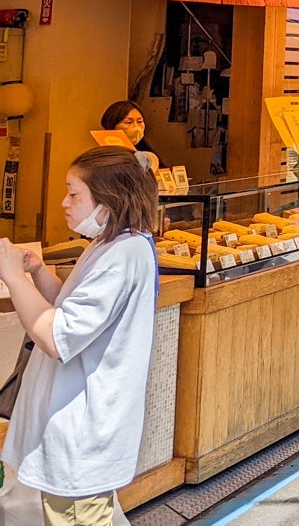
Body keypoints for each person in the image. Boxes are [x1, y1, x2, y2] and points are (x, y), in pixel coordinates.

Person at [0, 146, 159, 524]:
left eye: (74, 194)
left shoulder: (123, 255)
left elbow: (57, 337)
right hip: (79, 428)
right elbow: (70, 308)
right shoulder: (111, 244)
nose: (64, 202)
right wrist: (38, 272)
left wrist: (12, 276)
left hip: (84, 432)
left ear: (109, 201)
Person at [99, 100, 160, 171]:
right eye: (128, 122)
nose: (136, 127)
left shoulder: (147, 157)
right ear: (112, 126)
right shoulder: (101, 158)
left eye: (140, 121)